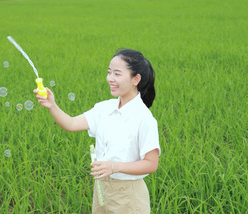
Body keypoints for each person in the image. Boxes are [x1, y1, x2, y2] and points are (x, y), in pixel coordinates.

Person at [34, 49, 160, 213]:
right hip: (101, 189)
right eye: (109, 72)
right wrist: (52, 106)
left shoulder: (144, 118)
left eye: (117, 74)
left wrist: (114, 167)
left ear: (136, 79)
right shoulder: (104, 109)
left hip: (129, 196)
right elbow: (71, 124)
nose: (110, 79)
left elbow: (151, 164)